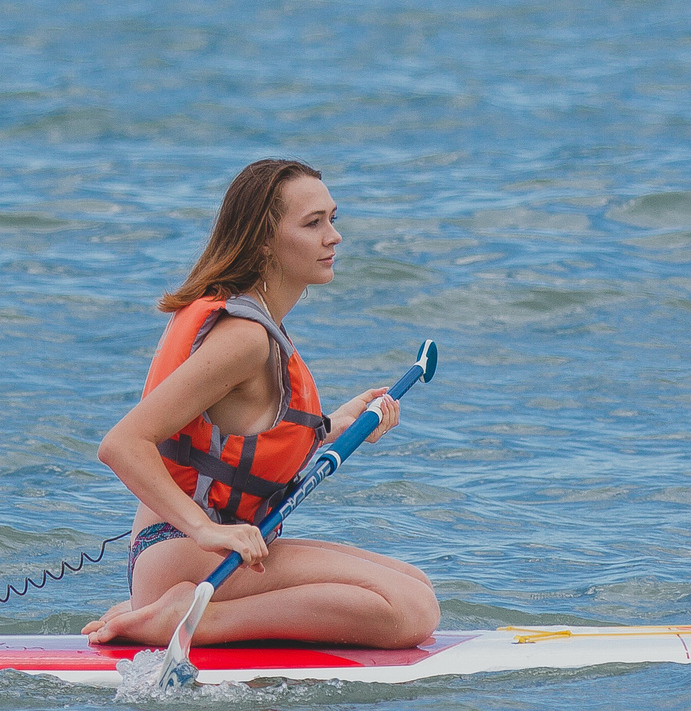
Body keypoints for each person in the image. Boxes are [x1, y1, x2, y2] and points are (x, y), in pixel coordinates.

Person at [84, 159, 440, 651]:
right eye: (313, 223)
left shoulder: (253, 323)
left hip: (195, 555)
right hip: (185, 552)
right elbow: (121, 444)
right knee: (410, 610)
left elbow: (240, 431)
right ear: (265, 241)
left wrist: (335, 424)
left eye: (333, 219)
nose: (333, 236)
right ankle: (188, 621)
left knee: (415, 583)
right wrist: (205, 530)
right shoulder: (244, 338)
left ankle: (179, 608)